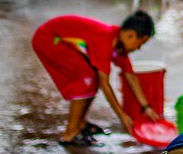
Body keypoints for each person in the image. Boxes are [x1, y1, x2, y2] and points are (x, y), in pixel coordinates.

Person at [31, 11, 160, 145]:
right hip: (49, 39)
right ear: (130, 35)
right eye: (140, 43)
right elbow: (105, 84)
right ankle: (70, 133)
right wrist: (122, 115)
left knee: (91, 77)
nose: (138, 48)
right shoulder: (105, 40)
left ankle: (80, 123)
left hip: (58, 39)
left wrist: (146, 107)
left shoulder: (118, 44)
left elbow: (130, 76)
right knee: (85, 79)